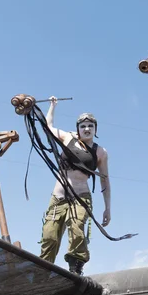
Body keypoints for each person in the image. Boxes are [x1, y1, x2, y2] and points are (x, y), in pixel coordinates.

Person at [39, 96, 111, 275]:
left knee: (77, 231)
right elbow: (47, 127)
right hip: (59, 197)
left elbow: (105, 180)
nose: (87, 129)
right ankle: (43, 272)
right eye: (83, 126)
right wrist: (52, 106)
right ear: (78, 128)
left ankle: (75, 270)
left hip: (81, 196)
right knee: (50, 236)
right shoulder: (67, 138)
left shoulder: (100, 152)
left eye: (90, 126)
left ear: (95, 129)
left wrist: (107, 208)